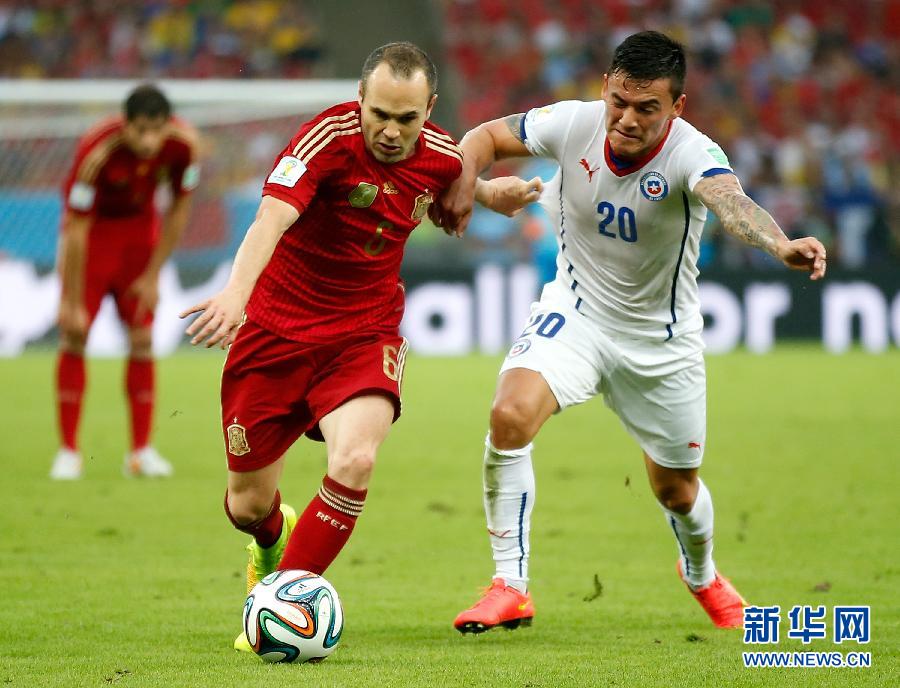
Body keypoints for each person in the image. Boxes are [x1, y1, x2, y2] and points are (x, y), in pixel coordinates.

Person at [432, 31, 827, 633]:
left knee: (676, 490)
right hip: (577, 314)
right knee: (509, 415)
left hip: (659, 346)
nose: (627, 118)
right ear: (605, 89)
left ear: (678, 108)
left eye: (648, 108)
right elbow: (484, 137)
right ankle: (510, 586)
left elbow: (732, 203)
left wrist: (780, 244)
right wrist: (466, 184)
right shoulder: (572, 124)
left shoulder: (693, 153)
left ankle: (702, 574)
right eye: (620, 101)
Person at [179, 41, 539, 651]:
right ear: (360, 100)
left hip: (362, 335)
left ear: (429, 108)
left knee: (355, 461)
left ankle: (283, 607)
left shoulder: (440, 152)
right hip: (273, 333)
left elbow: (454, 169)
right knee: (247, 505)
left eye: (407, 118)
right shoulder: (325, 140)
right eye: (379, 115)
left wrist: (489, 192)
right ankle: (272, 541)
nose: (392, 132)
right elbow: (270, 217)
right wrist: (235, 295)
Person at [51, 84, 200, 480]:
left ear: (168, 126)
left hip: (139, 241)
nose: (148, 142)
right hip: (94, 241)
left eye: (156, 131)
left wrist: (153, 276)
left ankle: (140, 452)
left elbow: (180, 209)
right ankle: (68, 452)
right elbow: (76, 227)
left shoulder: (184, 146)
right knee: (74, 334)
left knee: (142, 340)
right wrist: (70, 298)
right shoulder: (97, 150)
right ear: (126, 125)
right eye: (140, 131)